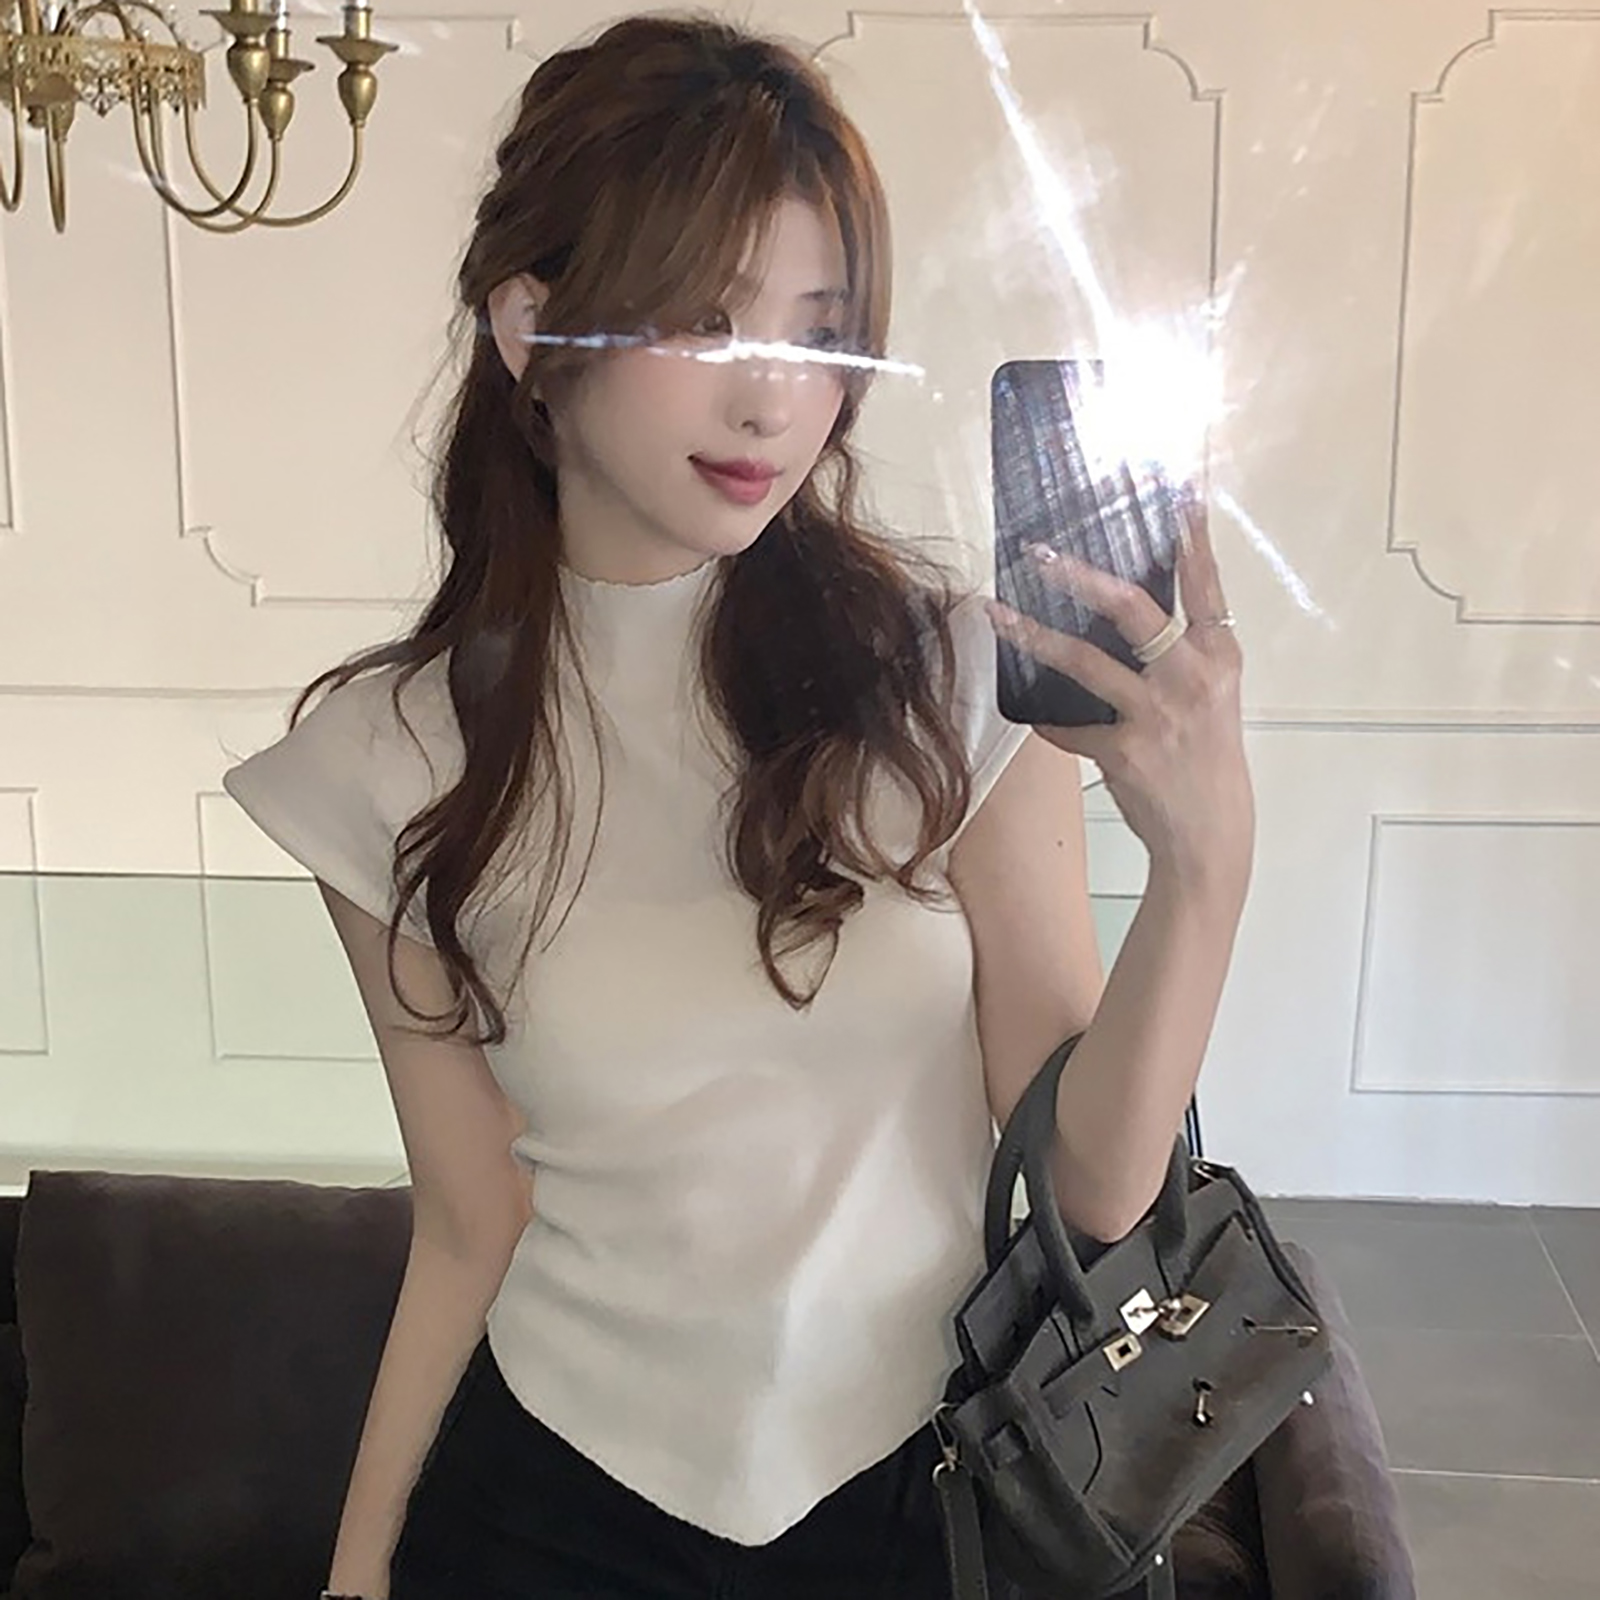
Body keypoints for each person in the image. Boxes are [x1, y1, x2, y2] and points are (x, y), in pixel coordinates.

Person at [221, 12, 1254, 1599]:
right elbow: (470, 1224)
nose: (776, 399)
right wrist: (358, 1578)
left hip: (919, 1497)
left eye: (821, 332)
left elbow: (1092, 1191)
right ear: (530, 328)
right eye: (705, 319)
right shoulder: (387, 764)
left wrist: (1204, 863)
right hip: (548, 1508)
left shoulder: (947, 686)